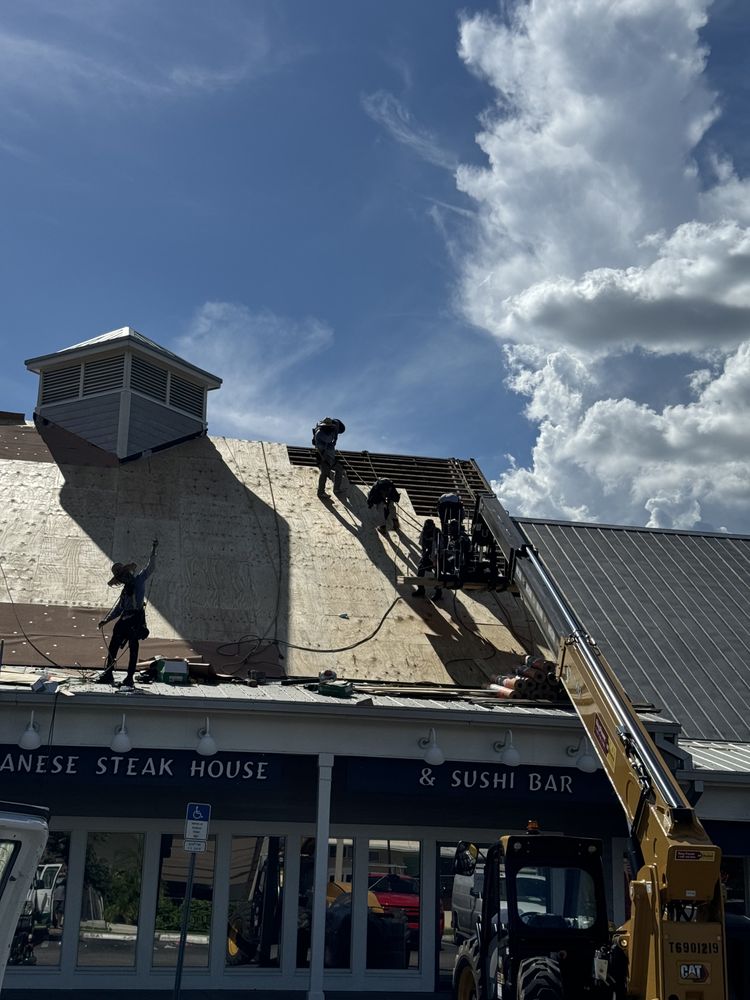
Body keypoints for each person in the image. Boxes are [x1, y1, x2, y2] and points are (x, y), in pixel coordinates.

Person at [97, 539, 158, 688]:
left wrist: (153, 550)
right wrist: (106, 620)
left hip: (136, 618)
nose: (123, 578)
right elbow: (118, 609)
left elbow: (150, 568)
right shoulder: (125, 592)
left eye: (123, 575)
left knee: (133, 646)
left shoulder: (138, 581)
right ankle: (109, 672)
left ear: (128, 572)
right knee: (114, 642)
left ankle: (129, 677)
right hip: (125, 618)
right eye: (120, 577)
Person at [312, 417, 346, 499]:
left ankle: (336, 488)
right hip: (323, 457)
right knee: (324, 474)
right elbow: (328, 439)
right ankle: (321, 492)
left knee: (339, 469)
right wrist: (334, 432)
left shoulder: (329, 431)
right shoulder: (320, 433)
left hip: (330, 457)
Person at [413, 518, 441, 598]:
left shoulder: (437, 533)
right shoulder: (424, 531)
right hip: (428, 553)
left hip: (437, 555)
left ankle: (438, 593)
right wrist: (424, 554)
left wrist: (436, 559)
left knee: (438, 574)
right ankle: (421, 589)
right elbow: (422, 544)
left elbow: (441, 546)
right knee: (420, 570)